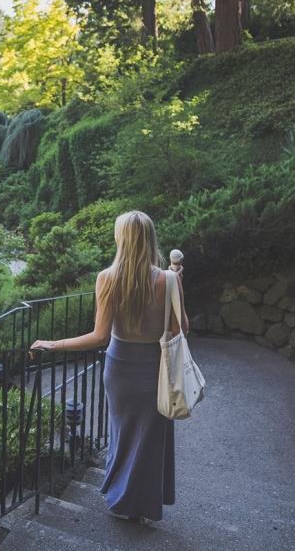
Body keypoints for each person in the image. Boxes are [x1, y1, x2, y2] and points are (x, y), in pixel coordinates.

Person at [31, 210, 189, 524]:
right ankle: (140, 505)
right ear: (149, 238)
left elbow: (99, 336)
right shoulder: (169, 279)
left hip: (119, 369)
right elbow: (182, 328)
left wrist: (52, 344)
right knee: (148, 440)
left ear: (122, 239)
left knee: (123, 433)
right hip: (155, 370)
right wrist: (176, 290)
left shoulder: (107, 278)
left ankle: (120, 496)